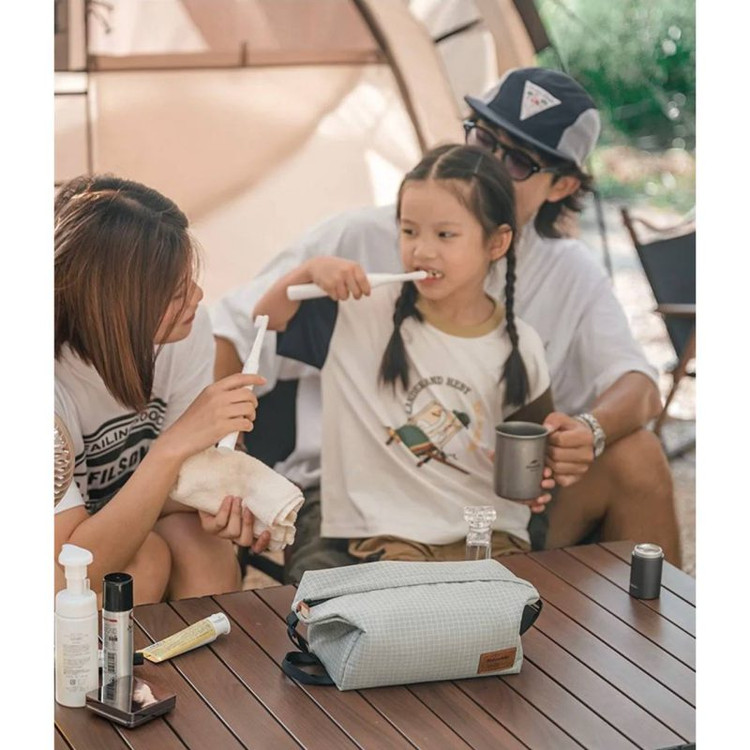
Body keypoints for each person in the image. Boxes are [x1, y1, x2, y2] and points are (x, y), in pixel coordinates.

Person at [213, 68, 680, 577]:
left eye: (518, 160)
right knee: (363, 609)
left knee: (639, 456)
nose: (489, 163)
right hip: (353, 494)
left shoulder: (566, 277)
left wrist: (586, 433)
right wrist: (230, 462)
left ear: (562, 185)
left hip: (484, 499)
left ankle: (662, 626)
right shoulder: (361, 242)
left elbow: (638, 385)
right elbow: (237, 329)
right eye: (484, 138)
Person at [254, 144, 555, 560]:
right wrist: (309, 271)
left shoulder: (522, 344)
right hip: (386, 535)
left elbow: (537, 451)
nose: (422, 250)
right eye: (409, 231)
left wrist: (547, 471)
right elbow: (266, 317)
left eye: (445, 235)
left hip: (490, 535)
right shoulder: (355, 311)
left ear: (497, 242)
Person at [54, 175, 270, 605]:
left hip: (131, 515)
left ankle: (209, 652)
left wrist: (223, 500)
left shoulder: (185, 334)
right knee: (142, 563)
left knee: (202, 545)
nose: (198, 296)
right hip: (57, 568)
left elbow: (179, 488)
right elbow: (68, 576)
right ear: (113, 305)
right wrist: (172, 447)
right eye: (175, 293)